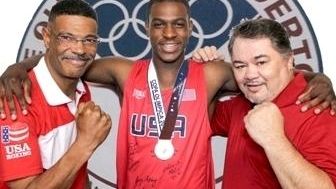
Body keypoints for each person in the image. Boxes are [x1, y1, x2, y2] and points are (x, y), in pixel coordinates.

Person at [0, 0, 335, 188]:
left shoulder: (213, 74)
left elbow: (265, 74)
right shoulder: (123, 71)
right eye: (159, 24)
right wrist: (16, 69)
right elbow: (71, 60)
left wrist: (318, 78)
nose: (169, 32)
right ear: (147, 28)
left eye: (178, 24)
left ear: (190, 28)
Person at [210, 18, 336, 188]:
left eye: (261, 62)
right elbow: (194, 115)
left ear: (289, 60)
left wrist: (273, 139)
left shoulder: (317, 109)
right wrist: (205, 66)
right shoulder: (241, 104)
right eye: (240, 66)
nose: (250, 74)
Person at [0, 0, 112, 188]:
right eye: (67, 37)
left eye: (89, 40)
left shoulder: (80, 89)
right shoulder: (16, 103)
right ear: (46, 37)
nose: (80, 49)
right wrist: (86, 143)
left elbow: (77, 172)